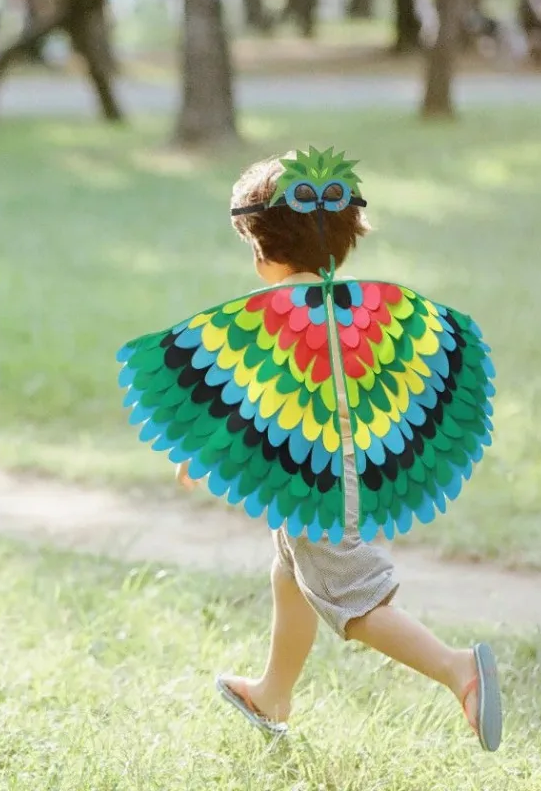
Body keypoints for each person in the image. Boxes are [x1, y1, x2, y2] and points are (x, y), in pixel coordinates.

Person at [175, 153, 503, 751]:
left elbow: (253, 396)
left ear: (261, 250)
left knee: (351, 596)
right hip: (335, 468)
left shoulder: (275, 315)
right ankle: (274, 690)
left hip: (317, 477)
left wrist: (203, 448)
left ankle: (459, 670)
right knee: (292, 570)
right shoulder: (353, 309)